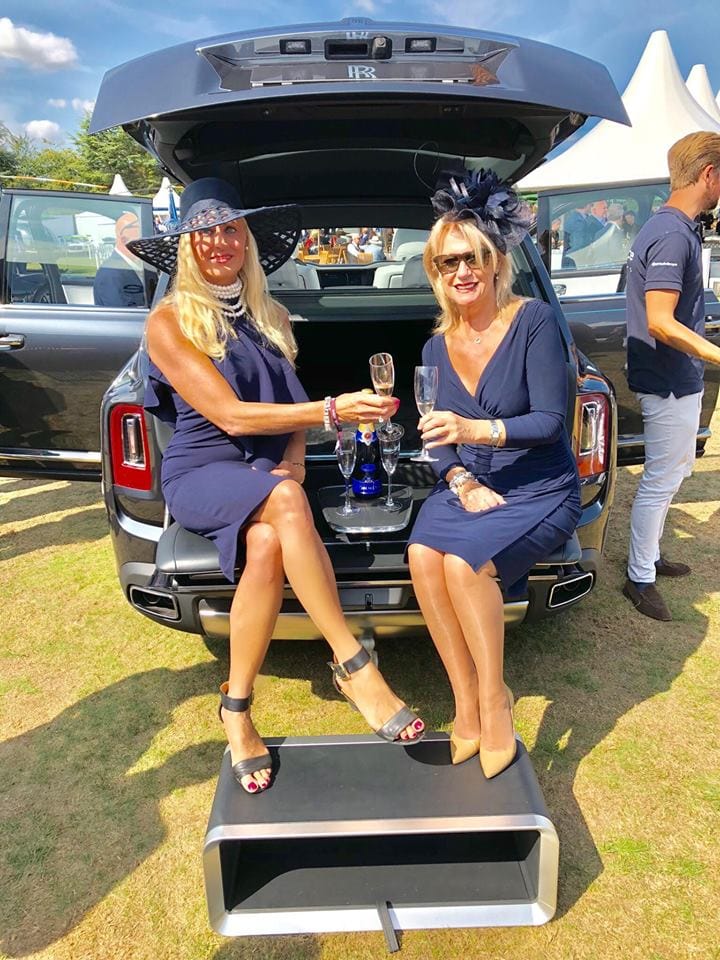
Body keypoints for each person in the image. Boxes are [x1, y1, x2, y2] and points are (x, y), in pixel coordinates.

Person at [127, 178, 425, 794]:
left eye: (231, 228)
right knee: (286, 503)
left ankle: (235, 711)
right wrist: (333, 412)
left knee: (268, 544)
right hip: (201, 471)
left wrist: (290, 465)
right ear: (186, 247)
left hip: (262, 476)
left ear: (248, 241)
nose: (219, 241)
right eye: (203, 232)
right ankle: (353, 663)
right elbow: (232, 417)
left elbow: (286, 408)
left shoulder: (274, 316)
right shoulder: (169, 323)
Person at [407, 170, 581, 779]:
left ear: (495, 258)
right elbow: (435, 437)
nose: (462, 271)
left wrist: (475, 430)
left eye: (473, 257)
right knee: (423, 558)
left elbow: (551, 423)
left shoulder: (531, 321)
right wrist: (460, 480)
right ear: (435, 272)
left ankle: (494, 700)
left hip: (540, 486)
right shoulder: (433, 351)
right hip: (469, 486)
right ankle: (463, 701)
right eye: (447, 261)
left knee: (463, 564)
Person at [623, 132, 720, 620]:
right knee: (661, 479)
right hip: (667, 378)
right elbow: (660, 319)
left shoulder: (673, 227)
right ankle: (639, 578)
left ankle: (651, 555)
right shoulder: (672, 233)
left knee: (675, 471)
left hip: (674, 376)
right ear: (709, 174)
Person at [93, 212, 145, 307]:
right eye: (140, 242)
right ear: (124, 240)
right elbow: (124, 316)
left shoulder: (132, 267)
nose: (145, 247)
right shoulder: (111, 273)